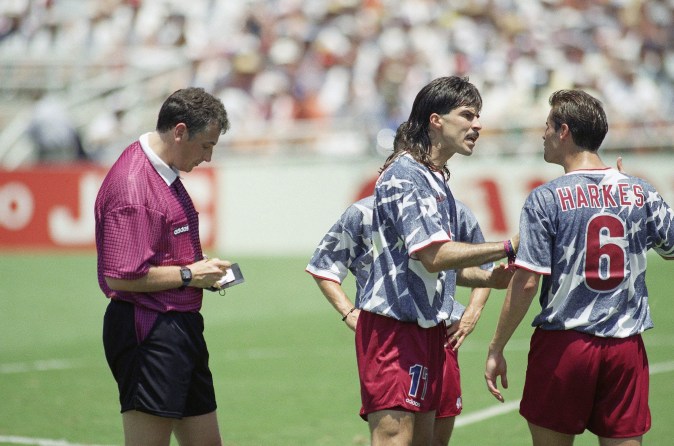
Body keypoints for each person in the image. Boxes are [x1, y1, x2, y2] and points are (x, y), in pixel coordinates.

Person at [484, 89, 674, 446]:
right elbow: (671, 247)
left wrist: (496, 347)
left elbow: (526, 283)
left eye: (546, 126)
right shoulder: (640, 191)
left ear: (563, 131)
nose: (542, 134)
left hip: (565, 345)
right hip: (626, 349)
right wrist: (631, 191)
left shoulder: (545, 198)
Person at [357, 75, 519, 446]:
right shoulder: (404, 173)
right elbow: (432, 256)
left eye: (478, 116)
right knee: (396, 439)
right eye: (467, 115)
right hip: (393, 329)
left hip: (427, 329)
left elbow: (440, 268)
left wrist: (488, 280)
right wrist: (506, 246)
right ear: (436, 120)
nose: (477, 125)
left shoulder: (434, 178)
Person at [306, 194, 510, 445]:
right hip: (389, 336)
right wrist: (349, 312)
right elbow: (323, 266)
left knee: (433, 440)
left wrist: (473, 311)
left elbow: (483, 267)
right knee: (393, 438)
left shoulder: (453, 210)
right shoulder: (363, 212)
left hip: (442, 338)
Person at [95, 87, 233, 445]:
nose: (208, 157)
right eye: (206, 145)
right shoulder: (134, 185)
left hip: (178, 327)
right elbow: (121, 276)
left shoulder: (162, 172)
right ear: (180, 131)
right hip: (149, 330)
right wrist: (191, 275)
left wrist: (200, 273)